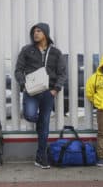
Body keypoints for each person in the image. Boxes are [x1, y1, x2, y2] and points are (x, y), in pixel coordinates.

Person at [15, 22, 66, 169]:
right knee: (30, 115)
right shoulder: (26, 50)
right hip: (31, 91)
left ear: (45, 33)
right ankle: (42, 125)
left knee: (44, 125)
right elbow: (18, 70)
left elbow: (62, 73)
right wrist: (24, 84)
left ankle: (41, 156)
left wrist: (55, 89)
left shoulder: (56, 52)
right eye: (34, 32)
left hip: (48, 92)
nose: (35, 34)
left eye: (39, 31)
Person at [86, 53, 103, 167]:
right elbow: (89, 92)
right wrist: (97, 102)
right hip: (102, 110)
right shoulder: (95, 77)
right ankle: (102, 157)